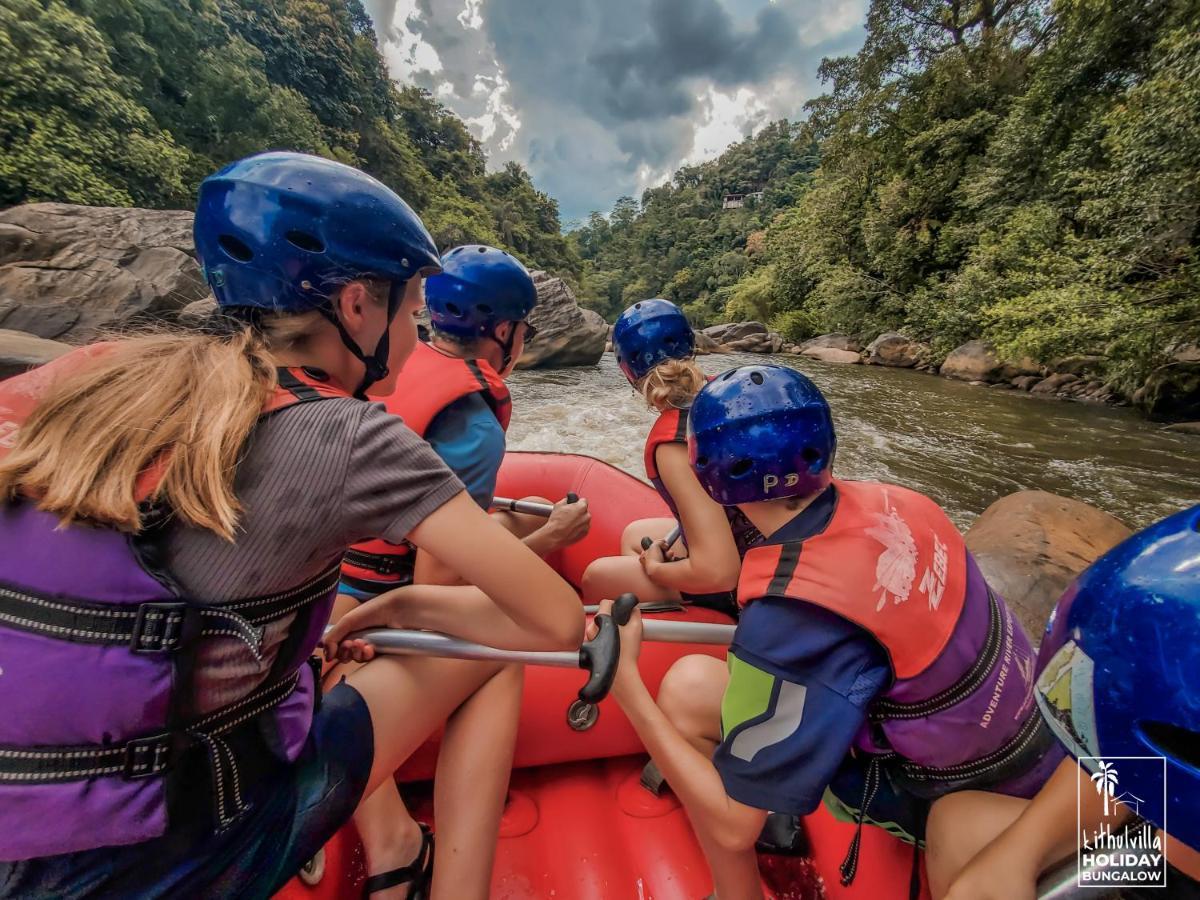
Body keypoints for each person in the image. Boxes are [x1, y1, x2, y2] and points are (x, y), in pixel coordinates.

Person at [0, 151, 581, 900]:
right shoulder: (353, 437)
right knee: (490, 655)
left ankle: (393, 843)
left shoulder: (100, 374)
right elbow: (557, 619)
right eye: (410, 315)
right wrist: (396, 607)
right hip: (172, 855)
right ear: (359, 305)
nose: (415, 340)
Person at [598, 364, 1061, 900]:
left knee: (681, 695)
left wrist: (627, 685)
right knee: (700, 686)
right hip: (1036, 739)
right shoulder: (902, 500)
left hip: (949, 786)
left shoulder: (791, 609)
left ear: (709, 476)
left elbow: (734, 825)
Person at [930, 505, 1200, 900]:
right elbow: (1128, 757)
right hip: (1149, 860)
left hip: (1162, 865)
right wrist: (1018, 854)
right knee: (957, 825)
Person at [339, 244, 590, 601]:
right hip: (379, 591)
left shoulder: (391, 366)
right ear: (504, 331)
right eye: (525, 332)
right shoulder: (475, 428)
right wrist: (553, 538)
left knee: (534, 508)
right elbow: (436, 588)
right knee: (512, 642)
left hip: (335, 564)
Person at [581, 299, 754, 616]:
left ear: (628, 371)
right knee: (636, 534)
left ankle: (661, 641)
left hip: (746, 580)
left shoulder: (674, 442)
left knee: (597, 576)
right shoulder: (727, 392)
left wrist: (657, 570)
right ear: (691, 345)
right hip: (759, 543)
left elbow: (720, 570)